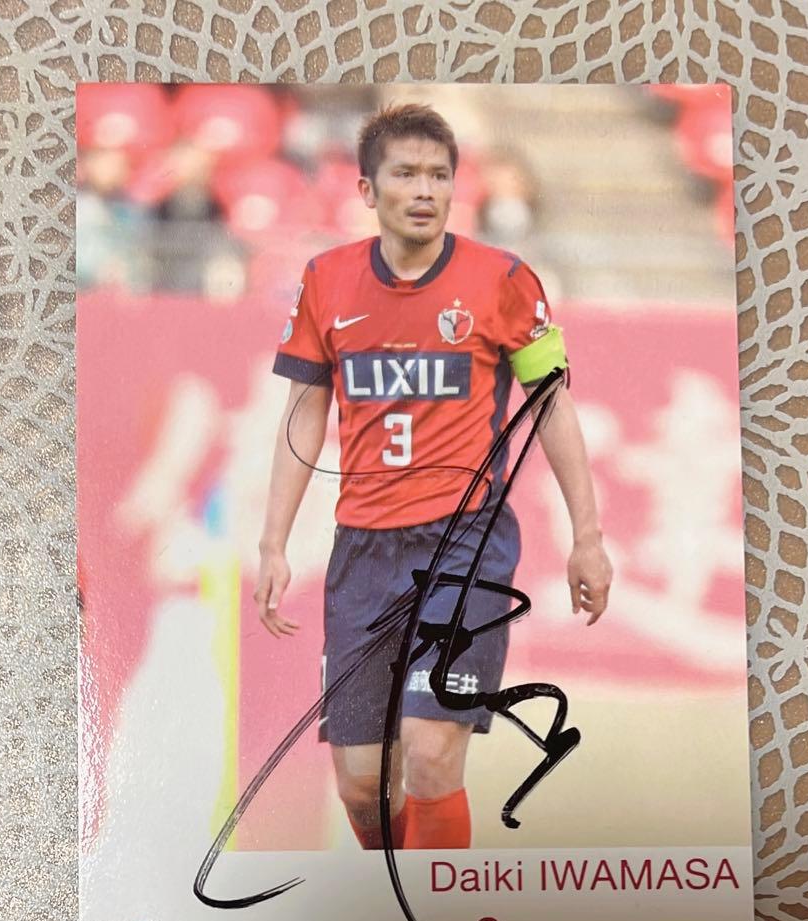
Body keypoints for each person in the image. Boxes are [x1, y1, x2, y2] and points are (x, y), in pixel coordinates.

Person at [256, 103, 612, 851]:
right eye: (406, 174)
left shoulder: (504, 280)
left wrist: (588, 536)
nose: (425, 190)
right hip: (363, 553)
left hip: (465, 544)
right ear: (366, 189)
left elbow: (552, 405)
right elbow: (303, 416)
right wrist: (273, 544)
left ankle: (434, 914)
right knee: (362, 784)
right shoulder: (326, 281)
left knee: (428, 752)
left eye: (439, 176)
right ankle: (399, 890)